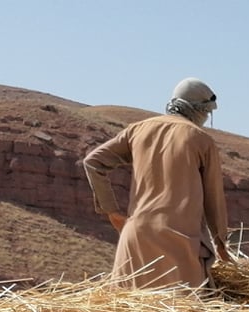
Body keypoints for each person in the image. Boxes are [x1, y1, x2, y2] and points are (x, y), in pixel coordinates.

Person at [81, 77, 228, 288]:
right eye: (207, 112)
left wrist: (112, 213)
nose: (206, 118)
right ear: (198, 110)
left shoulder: (137, 130)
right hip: (180, 243)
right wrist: (221, 247)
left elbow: (92, 162)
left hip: (135, 238)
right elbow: (214, 200)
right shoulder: (200, 139)